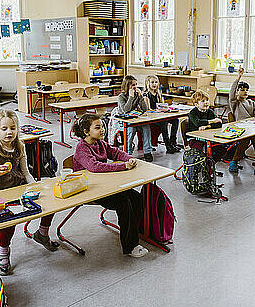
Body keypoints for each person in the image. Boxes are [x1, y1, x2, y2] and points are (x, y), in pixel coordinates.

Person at [0, 110, 59, 275]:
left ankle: (42, 233)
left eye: (12, 128)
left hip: (17, 187)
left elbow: (26, 172)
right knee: (9, 222)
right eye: (4, 128)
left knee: (50, 203)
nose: (9, 132)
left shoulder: (19, 146)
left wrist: (36, 187)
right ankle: (3, 253)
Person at [72, 113, 148, 258]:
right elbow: (94, 167)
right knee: (123, 203)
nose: (102, 130)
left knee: (136, 197)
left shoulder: (99, 143)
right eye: (98, 127)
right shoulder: (82, 148)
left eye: (102, 126)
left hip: (106, 185)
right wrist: (123, 166)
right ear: (86, 131)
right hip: (90, 189)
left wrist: (130, 158)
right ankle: (130, 246)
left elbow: (115, 152)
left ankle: (136, 231)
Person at [228, 67, 255, 175]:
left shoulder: (251, 102)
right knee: (248, 138)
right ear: (237, 92)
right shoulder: (235, 102)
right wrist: (239, 77)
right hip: (239, 128)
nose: (245, 92)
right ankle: (235, 161)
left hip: (251, 127)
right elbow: (231, 92)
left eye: (246, 90)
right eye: (242, 90)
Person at [118, 75, 153, 162]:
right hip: (124, 121)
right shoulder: (121, 96)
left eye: (136, 84)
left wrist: (140, 97)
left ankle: (147, 152)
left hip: (135, 119)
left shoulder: (137, 94)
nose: (135, 87)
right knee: (131, 129)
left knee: (146, 127)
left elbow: (145, 109)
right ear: (127, 86)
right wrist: (131, 97)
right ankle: (128, 153)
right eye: (133, 85)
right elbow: (126, 110)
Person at [144, 75, 180, 154]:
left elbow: (162, 105)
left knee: (175, 120)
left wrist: (165, 108)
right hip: (152, 118)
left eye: (156, 82)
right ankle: (167, 145)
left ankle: (173, 142)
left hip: (160, 115)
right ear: (147, 83)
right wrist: (157, 111)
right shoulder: (146, 95)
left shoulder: (158, 93)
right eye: (152, 82)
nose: (154, 84)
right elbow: (148, 109)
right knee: (164, 122)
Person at [187, 90, 226, 161]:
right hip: (195, 138)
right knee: (203, 150)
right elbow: (198, 123)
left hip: (208, 137)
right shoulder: (192, 113)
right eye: (203, 101)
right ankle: (204, 166)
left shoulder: (210, 111)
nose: (206, 103)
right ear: (196, 104)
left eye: (207, 100)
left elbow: (219, 124)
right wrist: (211, 121)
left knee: (221, 148)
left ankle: (210, 165)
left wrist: (207, 126)